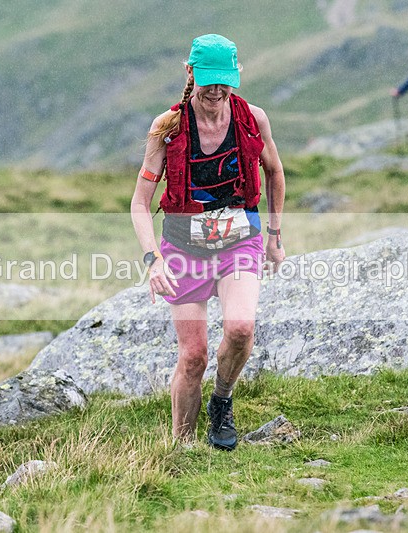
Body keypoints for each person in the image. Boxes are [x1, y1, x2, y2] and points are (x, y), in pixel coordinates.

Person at [130, 34, 286, 450]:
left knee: (239, 328)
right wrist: (153, 260)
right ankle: (182, 447)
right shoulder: (166, 128)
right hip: (184, 249)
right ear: (190, 73)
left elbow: (273, 173)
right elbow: (140, 204)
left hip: (240, 241)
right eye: (208, 82)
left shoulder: (253, 119)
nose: (216, 91)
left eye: (224, 82)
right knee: (194, 355)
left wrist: (274, 235)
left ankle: (222, 402)